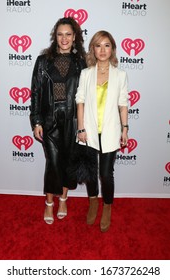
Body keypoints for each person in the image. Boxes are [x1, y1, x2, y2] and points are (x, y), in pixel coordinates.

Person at [30, 17, 86, 225]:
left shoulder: (82, 63)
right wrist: (36, 121)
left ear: (75, 37)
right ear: (55, 36)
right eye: (60, 34)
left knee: (68, 162)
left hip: (72, 119)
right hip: (49, 120)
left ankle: (63, 199)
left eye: (68, 34)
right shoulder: (43, 61)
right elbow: (35, 93)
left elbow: (85, 97)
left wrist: (83, 125)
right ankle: (49, 203)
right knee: (53, 163)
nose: (64, 38)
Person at [75, 30, 129, 232]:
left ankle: (107, 206)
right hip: (88, 129)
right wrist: (80, 128)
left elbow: (123, 104)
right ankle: (93, 202)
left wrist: (125, 128)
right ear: (93, 49)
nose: (103, 50)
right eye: (98, 45)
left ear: (112, 49)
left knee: (106, 174)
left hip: (110, 130)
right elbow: (79, 102)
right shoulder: (86, 73)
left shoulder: (120, 75)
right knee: (90, 173)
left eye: (107, 45)